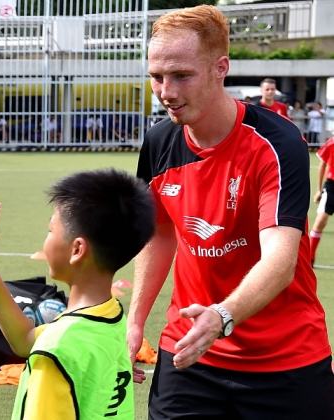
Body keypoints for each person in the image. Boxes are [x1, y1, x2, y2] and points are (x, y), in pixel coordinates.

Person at [131, 5, 334, 419]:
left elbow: (279, 259)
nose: (166, 91)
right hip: (188, 353)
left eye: (181, 75)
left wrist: (222, 316)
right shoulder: (158, 143)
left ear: (220, 67)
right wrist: (135, 320)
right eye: (156, 77)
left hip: (284, 359)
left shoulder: (278, 143)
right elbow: (160, 232)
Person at [0, 169, 155, 420]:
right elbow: (24, 339)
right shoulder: (111, 316)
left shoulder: (56, 350)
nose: (45, 240)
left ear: (77, 249)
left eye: (50, 230)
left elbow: (41, 345)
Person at [310, 136, 334, 266]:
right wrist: (319, 190)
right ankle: (310, 256)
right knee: (321, 220)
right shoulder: (331, 142)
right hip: (332, 186)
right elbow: (323, 164)